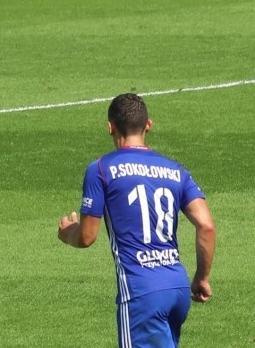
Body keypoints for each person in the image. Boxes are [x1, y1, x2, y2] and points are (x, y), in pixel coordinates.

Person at [58, 93, 216, 347]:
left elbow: (86, 237)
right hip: (177, 288)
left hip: (141, 293)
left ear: (110, 127)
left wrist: (68, 234)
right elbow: (206, 226)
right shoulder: (176, 170)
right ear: (148, 125)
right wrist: (201, 277)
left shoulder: (100, 169)